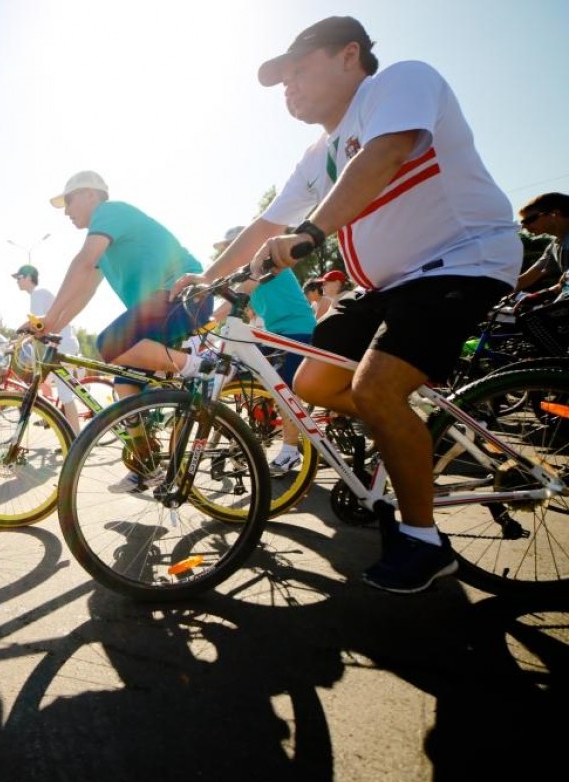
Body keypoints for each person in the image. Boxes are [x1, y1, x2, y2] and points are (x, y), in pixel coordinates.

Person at [171, 16, 520, 593]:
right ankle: (407, 435)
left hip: (463, 260)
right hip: (388, 286)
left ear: (348, 55)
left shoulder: (399, 83)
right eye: (281, 81)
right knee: (311, 383)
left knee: (374, 389)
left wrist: (311, 233)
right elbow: (267, 222)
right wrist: (207, 277)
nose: (288, 87)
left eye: (297, 71)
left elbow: (384, 155)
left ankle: (424, 541)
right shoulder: (317, 153)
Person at [34, 170, 210, 491]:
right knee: (124, 383)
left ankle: (202, 368)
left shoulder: (109, 212)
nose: (66, 211)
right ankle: (147, 466)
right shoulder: (106, 245)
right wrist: (51, 327)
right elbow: (85, 290)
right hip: (161, 308)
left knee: (109, 343)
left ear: (91, 195)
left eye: (69, 201)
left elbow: (82, 263)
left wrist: (47, 316)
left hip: (184, 294)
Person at [212, 226, 317, 476]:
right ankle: (257, 434)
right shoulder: (246, 271)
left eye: (231, 247)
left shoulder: (267, 262)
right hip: (274, 333)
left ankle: (290, 451)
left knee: (284, 390)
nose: (228, 254)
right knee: (251, 381)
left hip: (297, 330)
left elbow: (239, 295)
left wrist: (209, 318)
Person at [12, 264, 81, 434]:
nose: (17, 281)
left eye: (19, 278)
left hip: (62, 344)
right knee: (43, 381)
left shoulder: (38, 293)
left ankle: (76, 438)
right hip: (59, 343)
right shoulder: (38, 294)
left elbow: (38, 325)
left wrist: (21, 336)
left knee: (65, 395)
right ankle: (51, 418)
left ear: (29, 277)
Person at [514, 192, 569, 294]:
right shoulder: (554, 246)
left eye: (529, 220)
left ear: (555, 214)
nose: (524, 227)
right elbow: (525, 279)